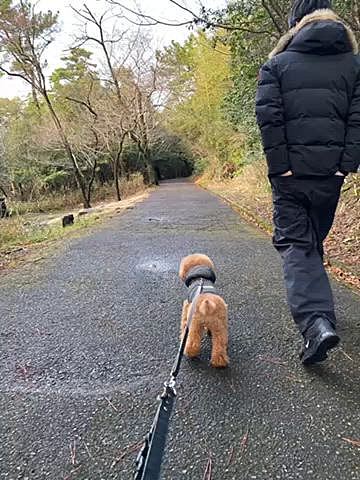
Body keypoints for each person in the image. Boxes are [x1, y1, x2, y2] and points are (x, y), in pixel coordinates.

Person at [256, 0, 360, 364]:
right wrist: (343, 167)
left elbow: (269, 118)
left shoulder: (276, 64)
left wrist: (280, 167)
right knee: (311, 242)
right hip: (329, 178)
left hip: (290, 178)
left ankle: (317, 323)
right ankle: (321, 314)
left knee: (298, 246)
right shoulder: (354, 64)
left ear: (295, 23)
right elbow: (357, 121)